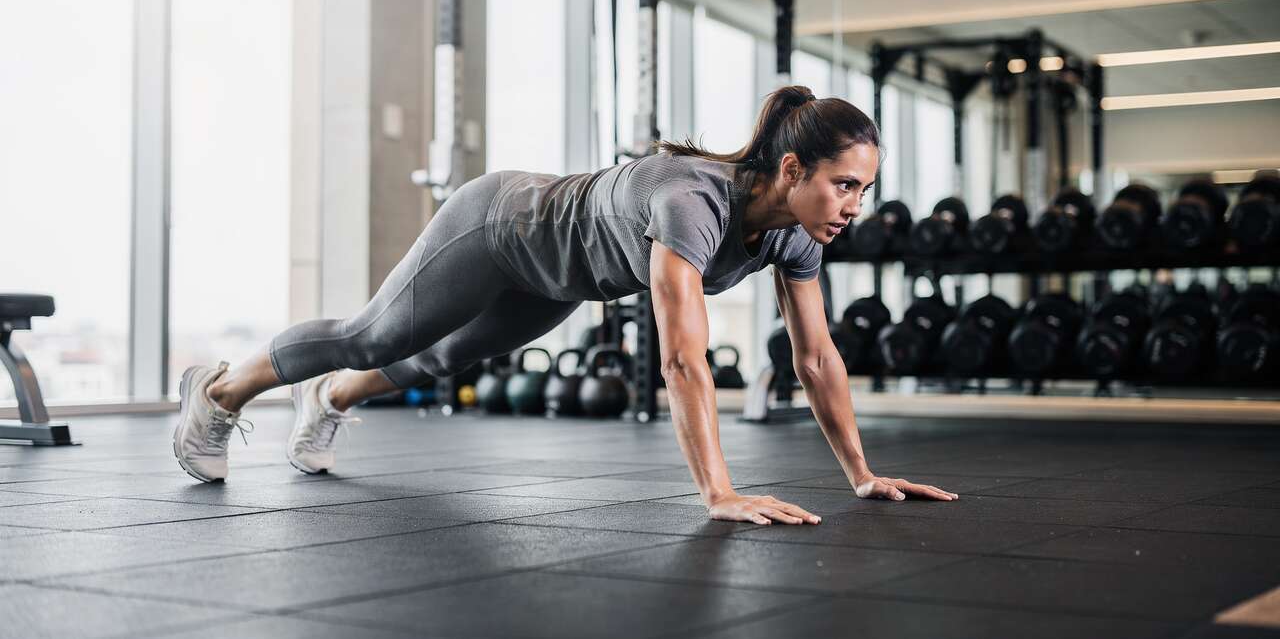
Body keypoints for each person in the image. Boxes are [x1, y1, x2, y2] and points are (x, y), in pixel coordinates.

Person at [171, 85, 958, 525]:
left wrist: (861, 474)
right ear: (792, 169)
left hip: (563, 276)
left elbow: (816, 355)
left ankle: (330, 397)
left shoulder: (794, 238)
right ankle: (215, 393)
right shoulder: (695, 202)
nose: (855, 204)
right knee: (374, 333)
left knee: (446, 357)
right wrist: (717, 492)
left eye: (866, 188)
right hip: (498, 225)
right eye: (845, 183)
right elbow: (682, 358)